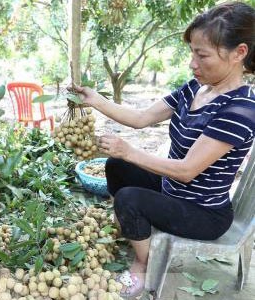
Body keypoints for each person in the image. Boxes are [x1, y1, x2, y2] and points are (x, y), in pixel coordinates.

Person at [74, 2, 254, 297]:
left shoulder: (240, 109)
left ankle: (143, 264)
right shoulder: (195, 88)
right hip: (173, 191)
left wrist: (129, 151)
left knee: (129, 198)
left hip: (204, 213)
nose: (192, 63)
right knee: (116, 166)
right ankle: (135, 231)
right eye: (192, 52)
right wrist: (95, 100)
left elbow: (186, 171)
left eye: (202, 54)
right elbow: (141, 118)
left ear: (239, 53)